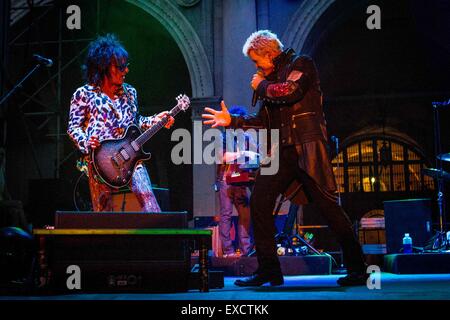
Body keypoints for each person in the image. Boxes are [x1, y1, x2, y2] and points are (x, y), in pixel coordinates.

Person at [202, 30, 367, 286]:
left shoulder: (301, 64)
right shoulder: (269, 83)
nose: (256, 69)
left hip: (307, 146)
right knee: (259, 203)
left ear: (269, 54)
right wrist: (232, 120)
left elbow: (290, 91)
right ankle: (270, 270)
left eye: (257, 62)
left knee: (328, 207)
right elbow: (262, 121)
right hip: (280, 152)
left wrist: (261, 85)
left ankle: (358, 268)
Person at [67, 34, 174, 212]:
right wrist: (86, 140)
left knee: (151, 206)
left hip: (131, 158)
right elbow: (73, 127)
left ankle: (156, 237)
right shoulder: (84, 94)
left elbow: (135, 121)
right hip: (100, 162)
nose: (126, 71)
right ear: (104, 67)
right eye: (121, 66)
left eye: (126, 66)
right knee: (104, 214)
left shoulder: (130, 92)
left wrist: (155, 120)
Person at [216, 106, 255, 257]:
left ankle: (245, 251)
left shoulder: (248, 137)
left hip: (242, 181)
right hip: (226, 180)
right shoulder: (223, 137)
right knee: (225, 214)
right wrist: (243, 153)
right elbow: (222, 157)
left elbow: (255, 156)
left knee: (245, 215)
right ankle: (228, 252)